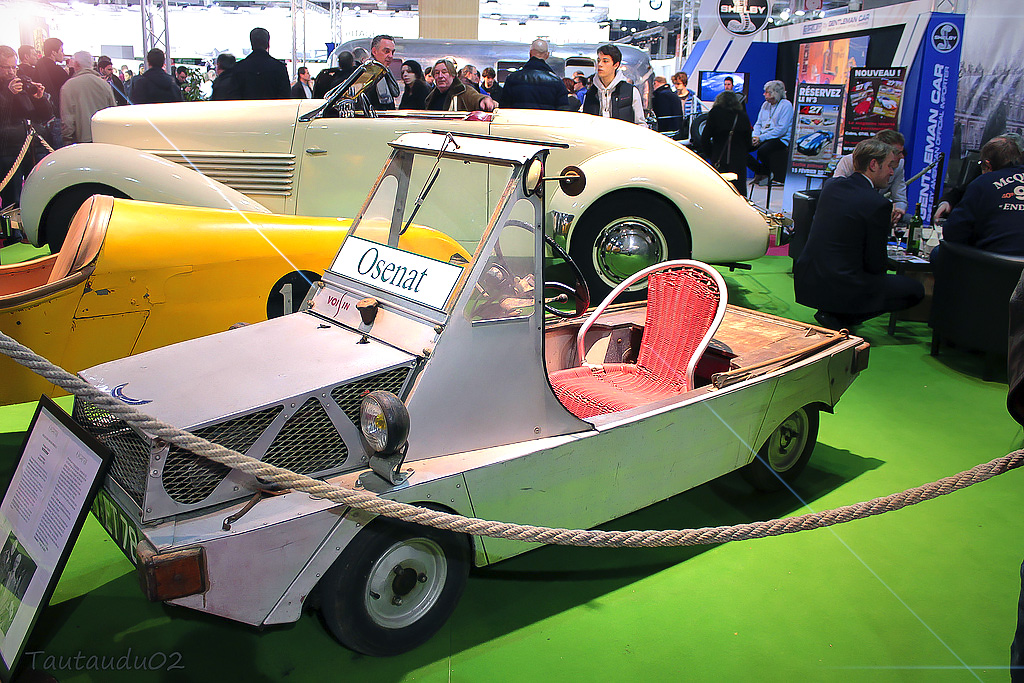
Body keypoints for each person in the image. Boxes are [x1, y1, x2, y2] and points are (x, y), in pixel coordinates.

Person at [794, 138, 924, 330]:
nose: (891, 172)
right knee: (915, 290)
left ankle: (836, 313)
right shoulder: (877, 204)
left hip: (808, 279)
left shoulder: (831, 186)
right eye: (889, 166)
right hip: (843, 284)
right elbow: (875, 263)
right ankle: (843, 317)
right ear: (873, 165)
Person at [941, 136, 1024, 255]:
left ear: (987, 165)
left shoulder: (983, 182)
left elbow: (953, 233)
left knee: (939, 252)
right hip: (1017, 266)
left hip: (991, 263)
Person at [0, 45, 51, 211]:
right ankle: (11, 234)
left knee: (33, 193)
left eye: (13, 67)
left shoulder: (20, 83)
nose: (11, 72)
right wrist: (8, 94)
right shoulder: (9, 89)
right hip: (6, 150)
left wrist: (39, 98)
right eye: (6, 67)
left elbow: (42, 116)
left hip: (29, 147)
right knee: (12, 196)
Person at [833, 129, 908, 225]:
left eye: (903, 152)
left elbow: (900, 198)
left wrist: (898, 210)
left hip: (879, 212)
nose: (902, 156)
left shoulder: (899, 164)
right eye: (897, 152)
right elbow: (836, 194)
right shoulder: (849, 162)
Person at [500, 39, 577, 111]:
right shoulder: (557, 82)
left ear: (530, 54)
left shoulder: (512, 79)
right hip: (545, 125)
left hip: (518, 124)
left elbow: (504, 109)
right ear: (547, 55)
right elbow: (562, 111)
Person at [701, 90, 753, 197]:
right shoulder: (742, 115)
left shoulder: (715, 113)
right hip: (738, 160)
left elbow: (705, 138)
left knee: (718, 191)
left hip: (719, 157)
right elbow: (748, 142)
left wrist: (710, 154)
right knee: (739, 193)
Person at [59, 51, 116, 144]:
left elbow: (67, 119)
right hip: (104, 138)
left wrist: (67, 139)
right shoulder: (104, 84)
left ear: (76, 64)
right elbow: (112, 111)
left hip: (82, 140)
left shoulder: (69, 86)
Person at [581, 44, 645, 125]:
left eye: (605, 61)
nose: (600, 64)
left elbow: (641, 124)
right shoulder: (591, 93)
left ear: (616, 65)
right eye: (598, 60)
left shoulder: (631, 92)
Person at [748, 80, 794, 185]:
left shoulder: (786, 105)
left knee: (763, 151)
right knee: (742, 147)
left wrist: (761, 138)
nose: (764, 94)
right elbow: (758, 123)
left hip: (780, 138)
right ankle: (761, 171)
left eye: (767, 92)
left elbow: (781, 129)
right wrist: (755, 136)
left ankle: (767, 173)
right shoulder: (765, 105)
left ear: (775, 93)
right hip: (761, 136)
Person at [231, 27, 289, 100]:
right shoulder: (279, 68)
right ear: (268, 44)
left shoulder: (238, 68)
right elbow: (285, 97)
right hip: (272, 110)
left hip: (247, 110)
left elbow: (233, 97)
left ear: (252, 44)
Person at [424, 59, 494, 112]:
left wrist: (484, 100)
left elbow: (475, 98)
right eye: (436, 73)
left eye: (444, 72)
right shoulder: (430, 97)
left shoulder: (464, 91)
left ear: (453, 75)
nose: (440, 76)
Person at [365, 34, 399, 110]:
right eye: (386, 51)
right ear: (374, 51)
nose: (390, 56)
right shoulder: (366, 73)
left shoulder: (386, 72)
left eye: (392, 52)